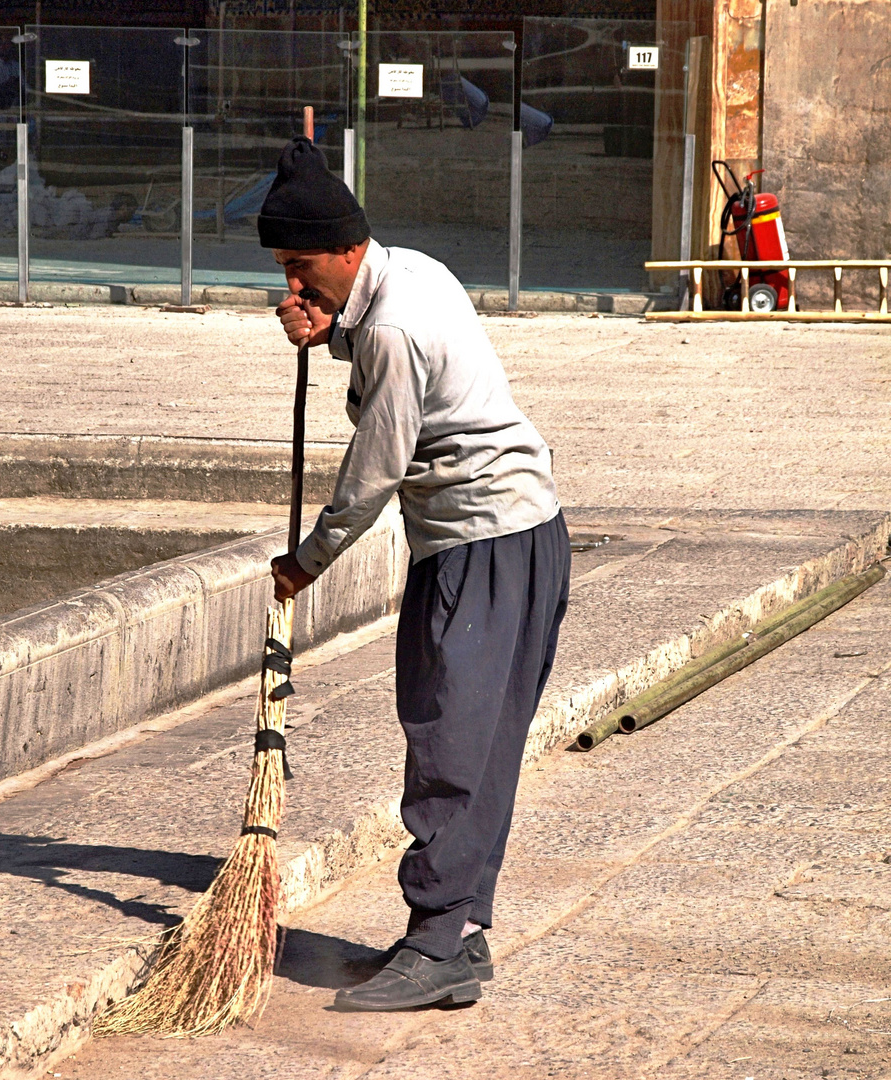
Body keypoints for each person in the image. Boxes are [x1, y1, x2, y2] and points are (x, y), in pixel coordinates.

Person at [261, 135, 571, 1012]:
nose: (292, 288)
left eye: (300, 267)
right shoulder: (411, 273)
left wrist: (306, 562)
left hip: (478, 546)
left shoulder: (389, 325)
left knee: (447, 737)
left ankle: (436, 941)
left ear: (345, 250)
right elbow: (398, 380)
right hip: (528, 534)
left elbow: (375, 468)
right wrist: (329, 334)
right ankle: (460, 931)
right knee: (483, 742)